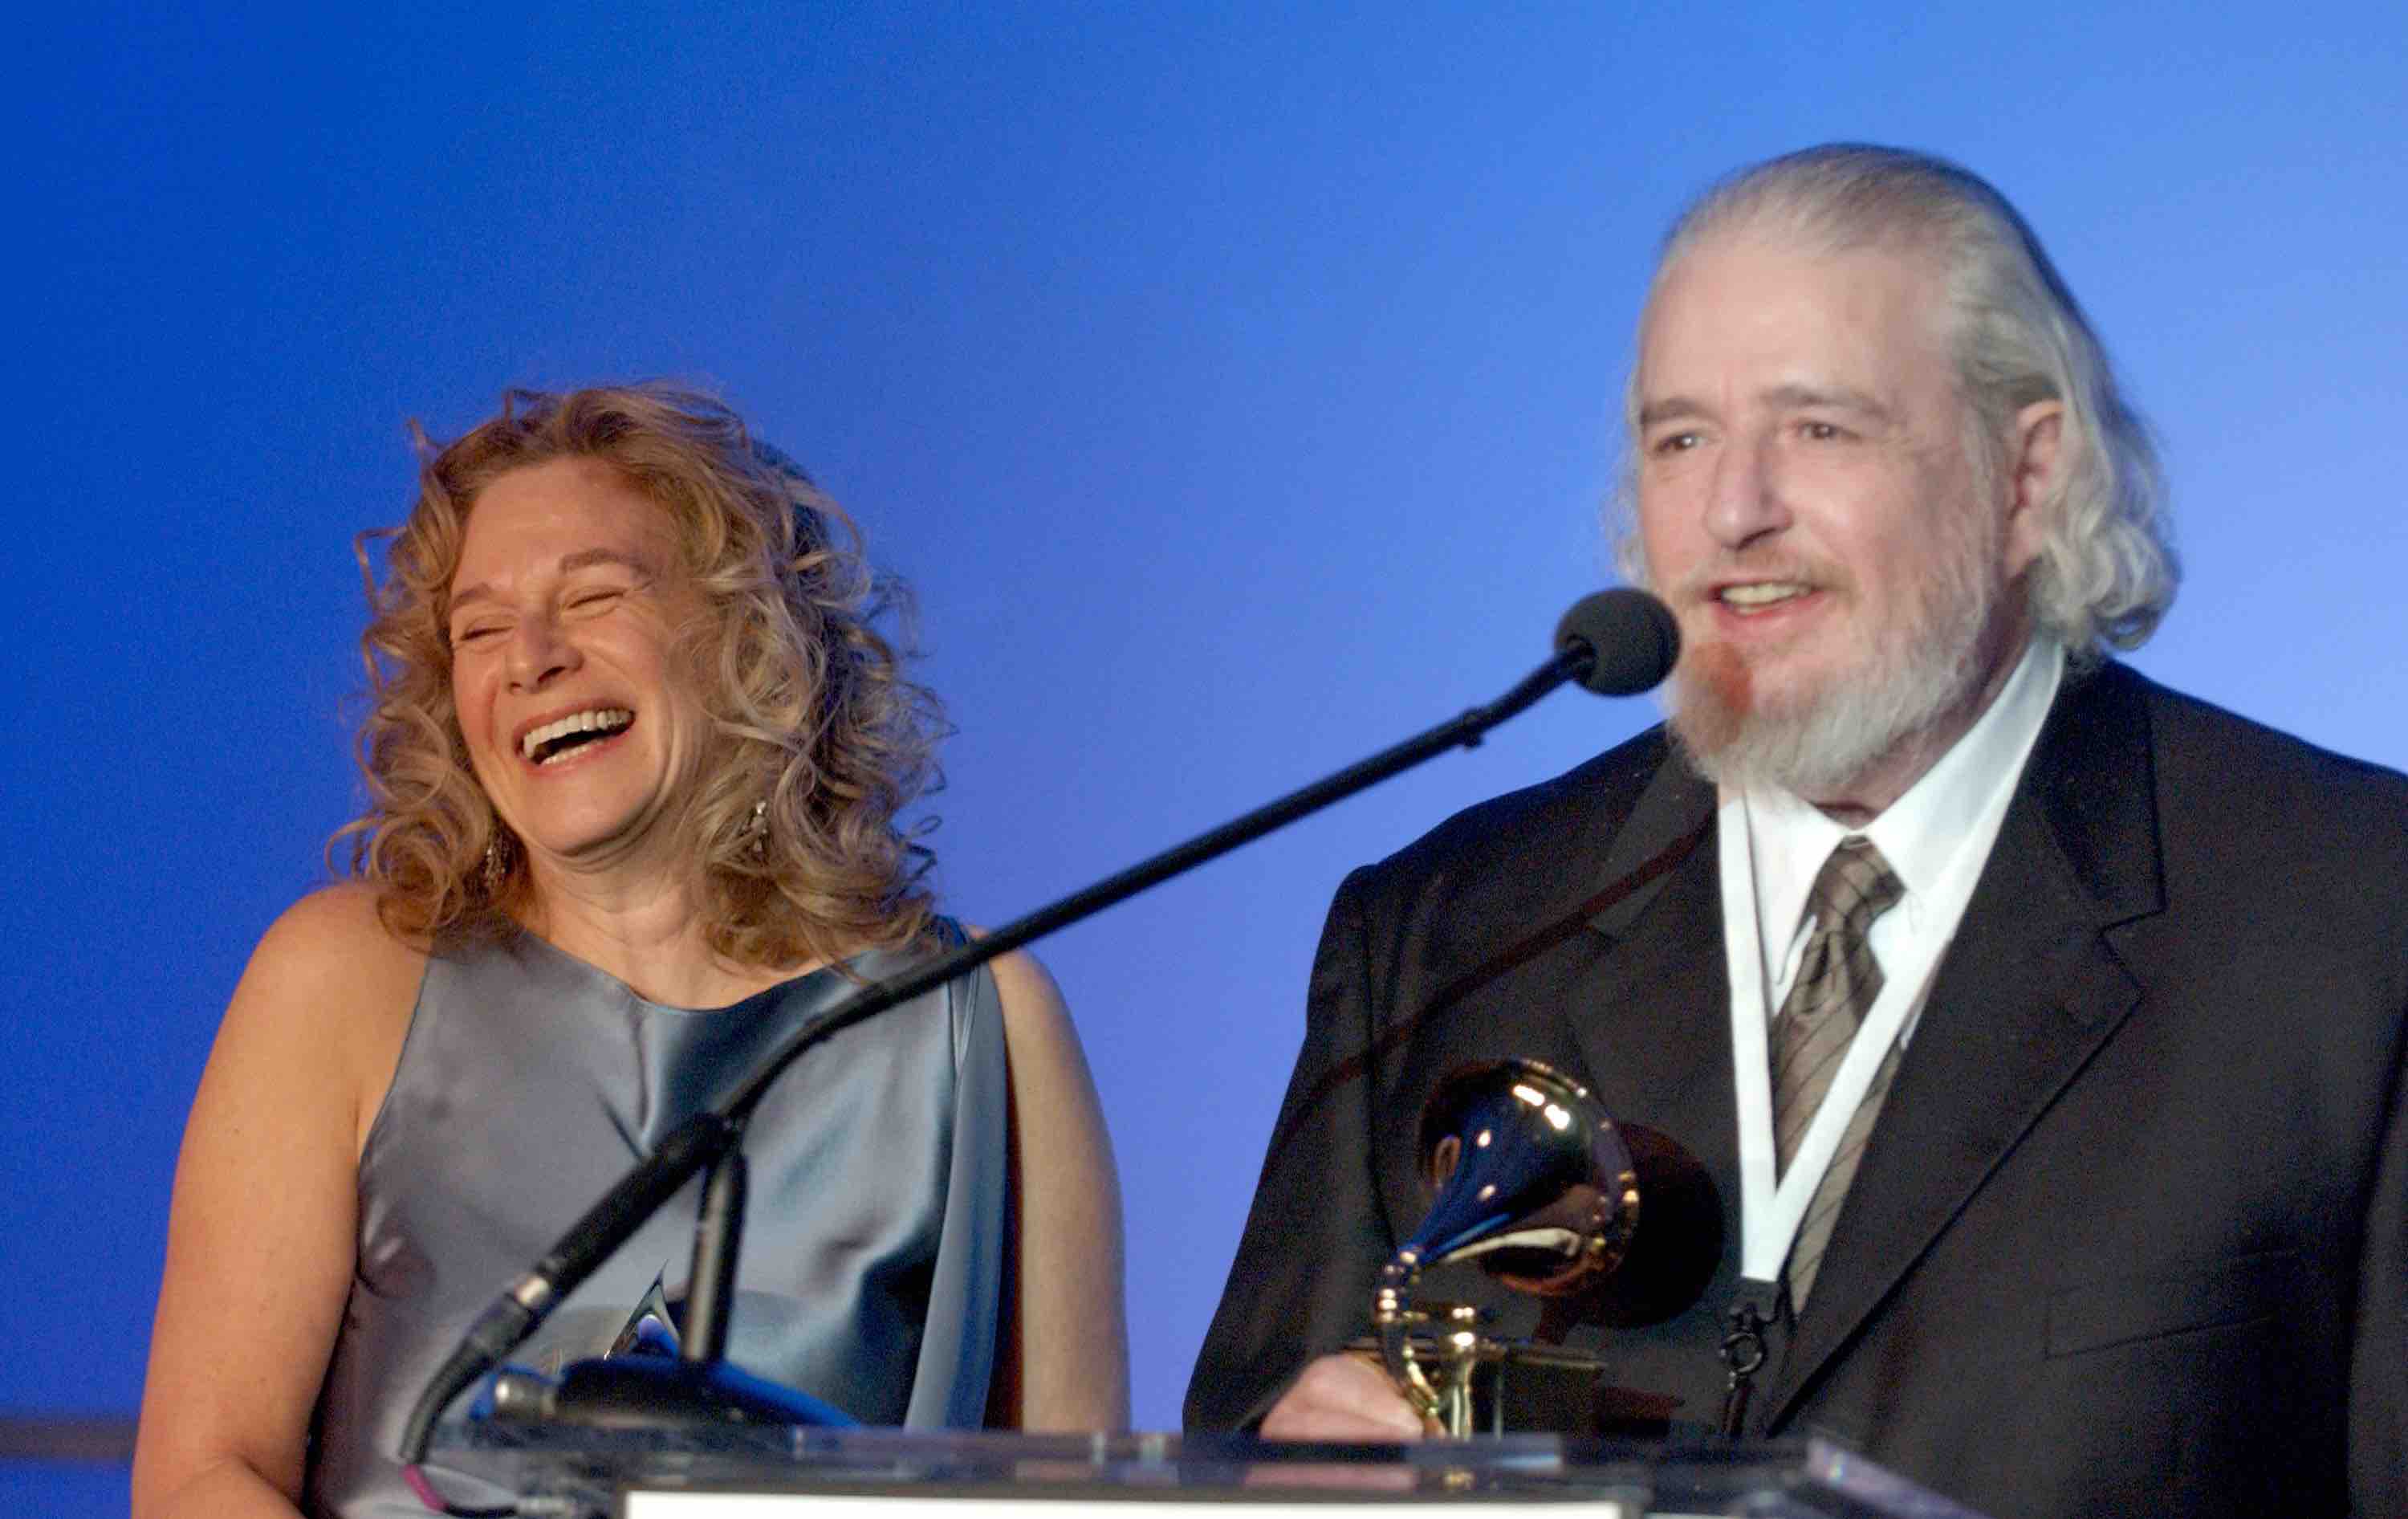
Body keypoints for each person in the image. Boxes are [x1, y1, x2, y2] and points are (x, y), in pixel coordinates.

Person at [1187, 145, 2408, 1518]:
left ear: (2027, 475)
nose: (1732, 512)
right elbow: (1251, 1445)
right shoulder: (1447, 929)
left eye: (1819, 429)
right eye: (1681, 438)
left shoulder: (2353, 919)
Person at [132, 385, 1129, 1519]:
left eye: (594, 597)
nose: (531, 659)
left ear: (748, 634)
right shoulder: (339, 979)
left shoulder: (979, 1016)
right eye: (479, 630)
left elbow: (1070, 1503)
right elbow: (203, 1474)